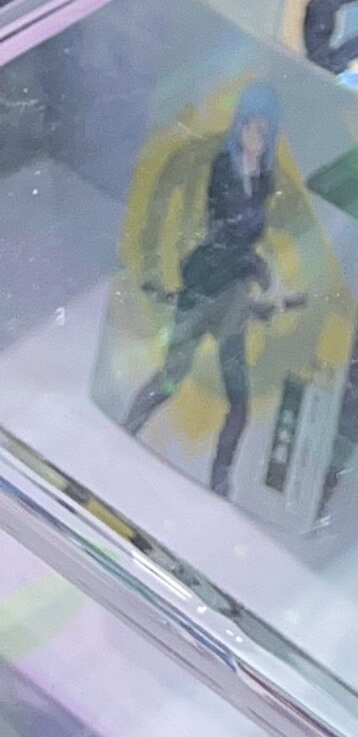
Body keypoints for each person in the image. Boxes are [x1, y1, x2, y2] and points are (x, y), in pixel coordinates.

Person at [120, 86, 297, 498]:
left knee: (240, 400)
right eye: (251, 126)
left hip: (232, 297)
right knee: (171, 377)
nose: (257, 136)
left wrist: (263, 281)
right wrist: (263, 274)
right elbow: (232, 234)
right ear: (240, 126)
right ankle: (124, 431)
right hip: (204, 287)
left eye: (265, 130)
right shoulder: (224, 169)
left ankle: (220, 482)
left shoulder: (263, 179)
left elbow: (247, 241)